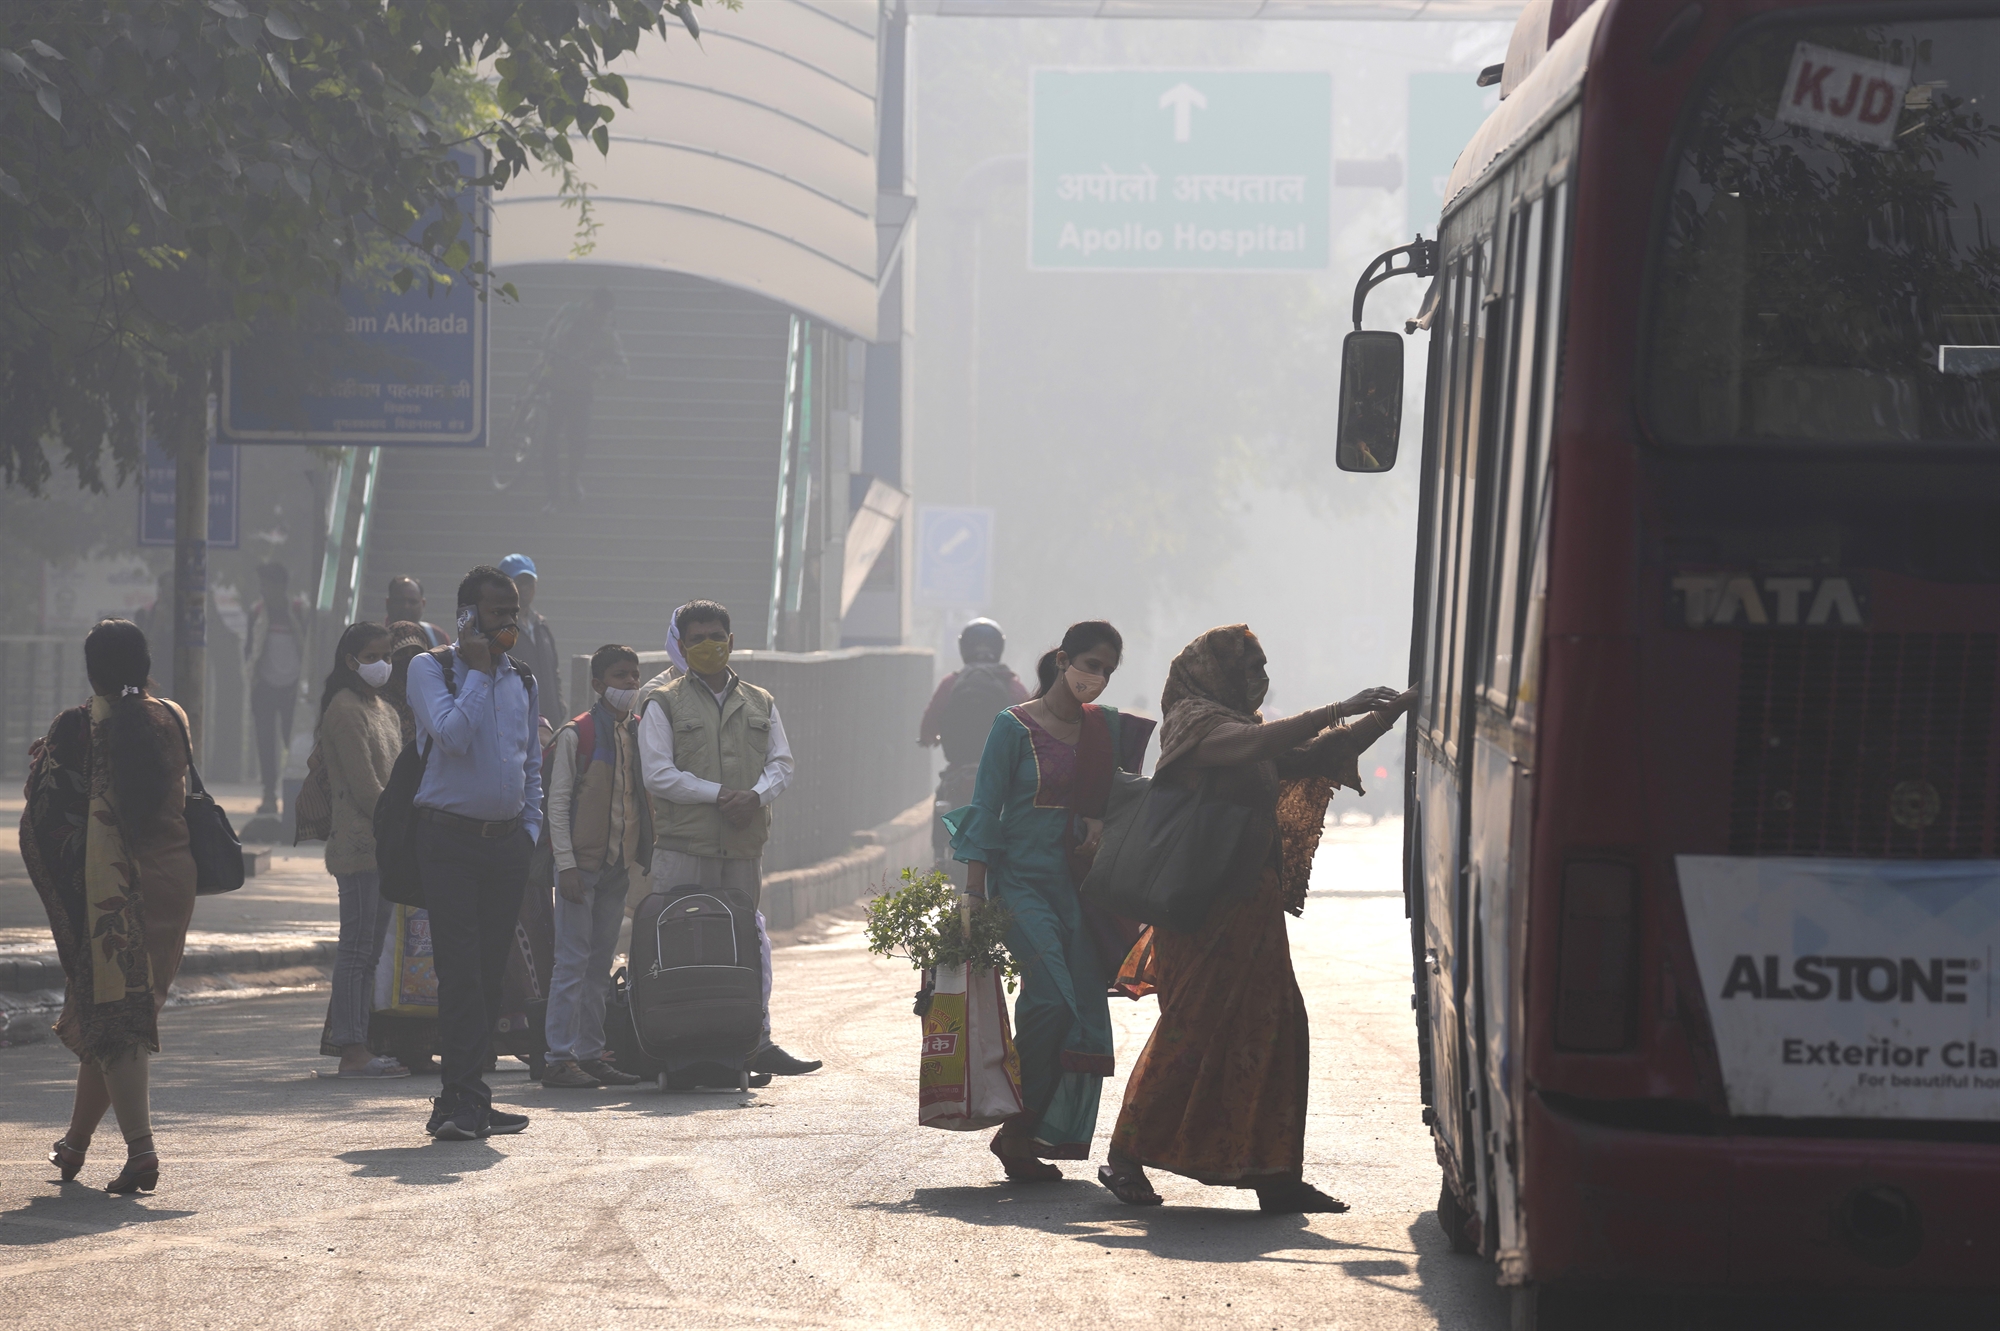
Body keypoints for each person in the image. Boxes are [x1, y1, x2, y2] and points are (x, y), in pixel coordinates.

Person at [1102, 624, 1409, 1213]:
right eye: (1249, 669)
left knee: (1274, 1027)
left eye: (1263, 668)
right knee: (1195, 1028)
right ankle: (1125, 1157)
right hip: (1202, 906)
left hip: (1253, 905)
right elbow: (1251, 745)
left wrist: (1390, 712)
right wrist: (1338, 707)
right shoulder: (1195, 723)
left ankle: (1275, 1174)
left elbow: (1317, 753)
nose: (1260, 679)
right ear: (1213, 673)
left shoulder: (1244, 728)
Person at [943, 620, 1155, 1181]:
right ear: (1063, 659)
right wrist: (973, 895)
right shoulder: (1013, 726)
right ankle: (1018, 1121)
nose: (1098, 677)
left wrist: (1101, 824)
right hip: (1020, 884)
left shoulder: (1104, 730)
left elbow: (1126, 801)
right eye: (1091, 664)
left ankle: (1025, 1135)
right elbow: (985, 809)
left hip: (1082, 891)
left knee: (1083, 1007)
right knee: (1050, 1001)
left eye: (1107, 670)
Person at [21, 620, 196, 1194]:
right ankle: (74, 1144)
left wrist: (43, 767)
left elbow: (46, 813)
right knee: (112, 1014)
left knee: (117, 1018)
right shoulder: (172, 715)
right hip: (172, 881)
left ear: (91, 669)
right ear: (145, 664)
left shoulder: (75, 726)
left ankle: (141, 1151)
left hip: (112, 891)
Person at [636, 600, 820, 1078]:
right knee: (678, 947)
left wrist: (755, 797)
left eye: (715, 636)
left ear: (731, 641)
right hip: (684, 848)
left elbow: (782, 765)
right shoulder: (662, 701)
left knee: (746, 947)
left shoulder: (761, 701)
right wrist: (719, 796)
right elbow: (657, 774)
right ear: (681, 646)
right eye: (696, 639)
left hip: (742, 846)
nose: (708, 646)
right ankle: (679, 1052)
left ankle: (753, 1043)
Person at [406, 566, 544, 1141]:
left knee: (489, 977)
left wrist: (529, 828)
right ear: (466, 616)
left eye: (513, 613)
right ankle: (462, 1099)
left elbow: (530, 763)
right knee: (460, 973)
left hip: (505, 844)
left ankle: (468, 1098)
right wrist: (481, 671)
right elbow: (452, 735)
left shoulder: (523, 679)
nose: (508, 623)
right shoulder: (430, 669)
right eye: (496, 613)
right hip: (449, 842)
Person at [541, 645, 653, 1089]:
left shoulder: (639, 731)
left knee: (599, 964)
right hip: (580, 868)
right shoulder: (577, 734)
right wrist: (565, 865)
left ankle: (590, 1053)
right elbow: (557, 804)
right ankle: (558, 1058)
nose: (630, 683)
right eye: (621, 675)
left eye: (634, 675)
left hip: (616, 867)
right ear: (598, 684)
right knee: (571, 963)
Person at [315, 621, 409, 1080]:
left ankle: (361, 1044)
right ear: (351, 661)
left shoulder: (385, 710)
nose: (382, 665)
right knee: (355, 950)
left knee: (370, 953)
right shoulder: (344, 709)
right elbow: (364, 786)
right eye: (372, 657)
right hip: (358, 847)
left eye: (386, 656)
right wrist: (399, 823)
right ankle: (351, 1049)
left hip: (387, 845)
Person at [919, 618, 1028, 876]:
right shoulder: (1012, 683)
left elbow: (929, 723)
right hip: (1000, 770)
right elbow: (1030, 723)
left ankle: (939, 858)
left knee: (942, 798)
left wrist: (928, 738)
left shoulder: (951, 683)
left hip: (960, 768)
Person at [536, 285, 626, 509]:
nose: (598, 317)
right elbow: (550, 329)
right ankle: (553, 496)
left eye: (603, 314)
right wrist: (545, 353)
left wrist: (603, 370)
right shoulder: (569, 311)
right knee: (549, 441)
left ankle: (573, 478)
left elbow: (622, 367)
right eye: (596, 311)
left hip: (581, 392)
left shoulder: (607, 335)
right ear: (589, 304)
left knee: (578, 440)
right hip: (555, 383)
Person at [246, 560, 308, 814]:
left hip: (293, 688)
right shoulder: (257, 613)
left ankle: (298, 795)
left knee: (292, 743)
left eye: (268, 585)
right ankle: (269, 794)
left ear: (281, 586)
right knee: (265, 743)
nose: (264, 590)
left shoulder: (298, 612)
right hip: (265, 686)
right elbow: (250, 650)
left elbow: (308, 648)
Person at [498, 553, 563, 731]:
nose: (524, 588)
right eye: (518, 582)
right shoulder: (497, 628)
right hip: (515, 724)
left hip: (548, 723)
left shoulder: (541, 625)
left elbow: (554, 671)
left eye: (529, 582)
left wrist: (559, 708)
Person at [385, 577, 451, 649]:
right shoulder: (377, 637)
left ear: (423, 603)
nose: (406, 606)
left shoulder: (438, 636)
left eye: (413, 601)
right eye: (400, 601)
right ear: (388, 602)